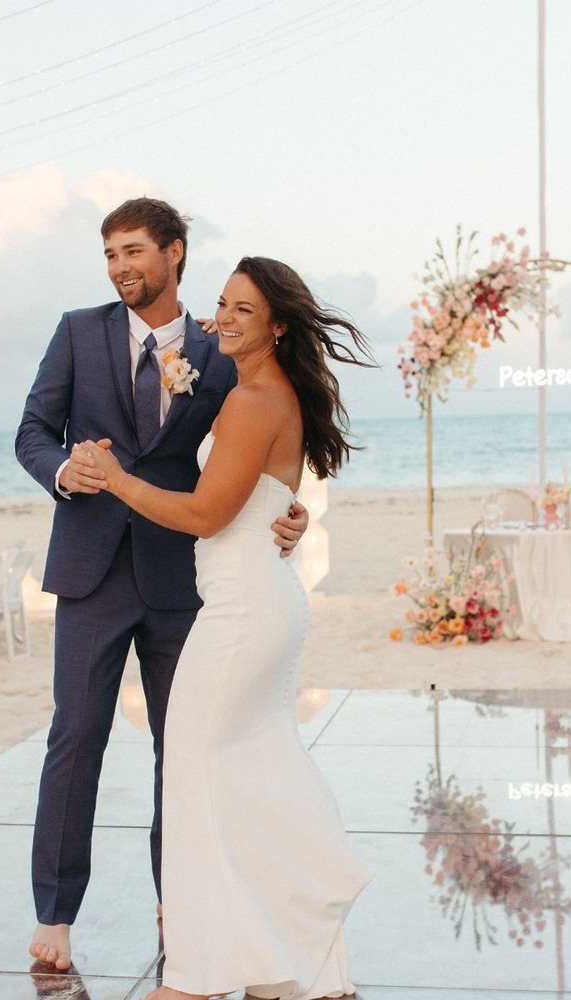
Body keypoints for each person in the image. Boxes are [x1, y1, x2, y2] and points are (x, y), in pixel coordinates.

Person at [16, 198, 309, 972]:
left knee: (183, 748)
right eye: (110, 254)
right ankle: (55, 910)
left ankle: (176, 895)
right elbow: (32, 431)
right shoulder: (77, 332)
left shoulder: (221, 347)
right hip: (90, 569)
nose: (121, 268)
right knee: (76, 738)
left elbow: (265, 441)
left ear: (175, 253)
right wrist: (63, 470)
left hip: (184, 574)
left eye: (135, 251)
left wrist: (289, 508)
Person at [79, 256, 374, 1000]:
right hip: (258, 600)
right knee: (248, 772)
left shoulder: (253, 401)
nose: (226, 317)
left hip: (243, 611)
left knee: (199, 773)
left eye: (246, 309)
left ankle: (202, 972)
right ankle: (287, 957)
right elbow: (275, 496)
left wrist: (115, 479)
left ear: (279, 326)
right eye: (222, 304)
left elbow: (208, 515)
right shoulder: (268, 393)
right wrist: (294, 516)